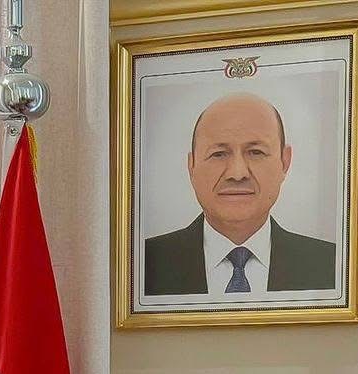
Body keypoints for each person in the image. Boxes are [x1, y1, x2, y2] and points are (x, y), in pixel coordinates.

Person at [144, 92, 337, 296]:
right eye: (218, 154)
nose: (237, 174)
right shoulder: (143, 264)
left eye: (256, 152)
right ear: (192, 166)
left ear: (285, 162)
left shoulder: (332, 265)